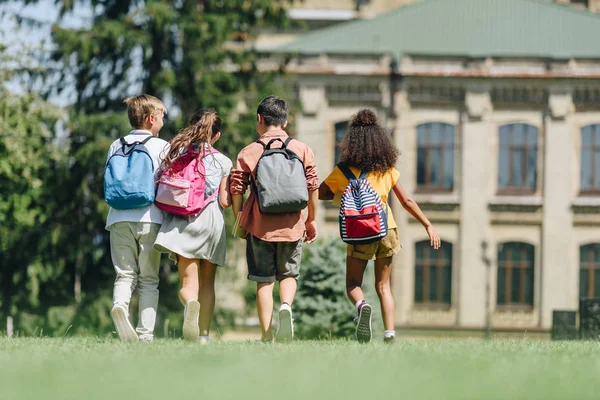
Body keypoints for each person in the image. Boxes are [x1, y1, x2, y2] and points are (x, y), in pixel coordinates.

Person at [319, 109, 440, 344]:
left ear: (351, 142)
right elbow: (406, 201)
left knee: (353, 283)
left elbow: (321, 193)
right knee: (383, 285)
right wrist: (428, 225)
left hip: (358, 233)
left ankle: (362, 305)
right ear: (380, 141)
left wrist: (345, 193)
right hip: (386, 230)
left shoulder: (341, 172)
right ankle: (390, 335)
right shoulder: (386, 170)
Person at [230, 95, 319, 343]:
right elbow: (313, 186)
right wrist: (310, 220)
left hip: (260, 226)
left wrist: (239, 218)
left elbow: (237, 188)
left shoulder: (249, 151)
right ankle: (287, 306)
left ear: (260, 119)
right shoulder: (301, 149)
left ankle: (266, 334)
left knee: (264, 281)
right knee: (289, 274)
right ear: (286, 121)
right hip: (292, 226)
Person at [154, 109, 232, 343]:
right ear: (216, 135)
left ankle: (190, 304)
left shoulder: (176, 155)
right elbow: (225, 202)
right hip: (212, 223)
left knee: (188, 285)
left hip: (184, 221)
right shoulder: (224, 161)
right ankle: (204, 336)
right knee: (208, 284)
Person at [105, 94, 169, 342]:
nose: (163, 120)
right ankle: (145, 334)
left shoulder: (115, 144)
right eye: (162, 116)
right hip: (149, 217)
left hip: (118, 217)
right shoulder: (160, 146)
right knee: (149, 279)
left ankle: (120, 305)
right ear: (151, 118)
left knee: (124, 274)